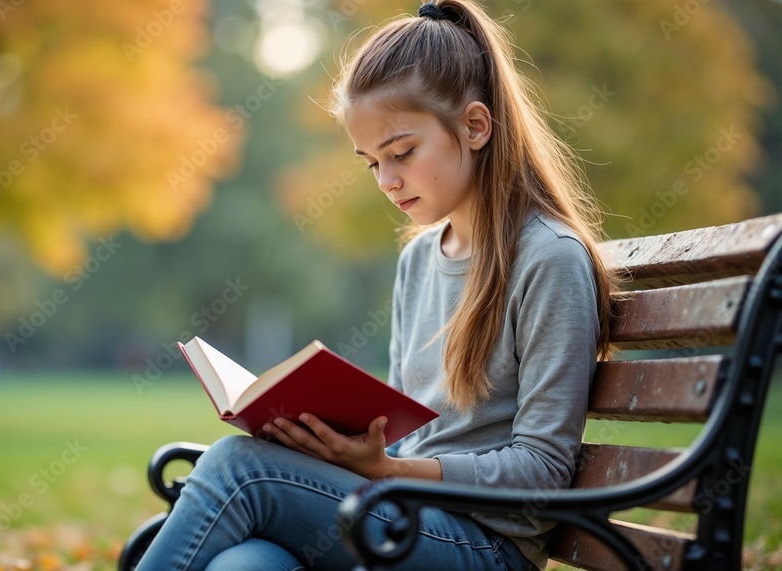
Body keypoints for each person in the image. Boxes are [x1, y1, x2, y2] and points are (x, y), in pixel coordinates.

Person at [135, 1, 617, 569]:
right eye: (370, 163)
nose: (387, 181)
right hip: (403, 517)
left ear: (476, 126)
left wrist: (388, 470)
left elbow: (543, 471)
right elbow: (402, 438)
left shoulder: (548, 259)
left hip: (486, 545)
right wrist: (330, 447)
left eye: (402, 153)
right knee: (245, 566)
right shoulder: (418, 259)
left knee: (236, 469)